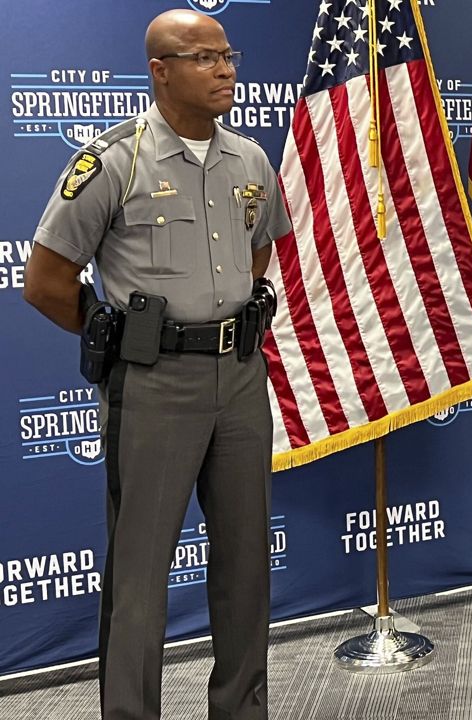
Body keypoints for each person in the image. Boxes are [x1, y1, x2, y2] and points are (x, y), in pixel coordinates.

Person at [23, 10, 290, 719]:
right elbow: (46, 281)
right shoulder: (114, 161)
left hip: (239, 378)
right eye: (202, 57)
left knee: (245, 564)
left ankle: (241, 710)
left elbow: (259, 248)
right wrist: (123, 336)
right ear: (160, 70)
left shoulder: (251, 159)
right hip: (152, 386)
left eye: (227, 54)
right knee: (139, 574)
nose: (225, 69)